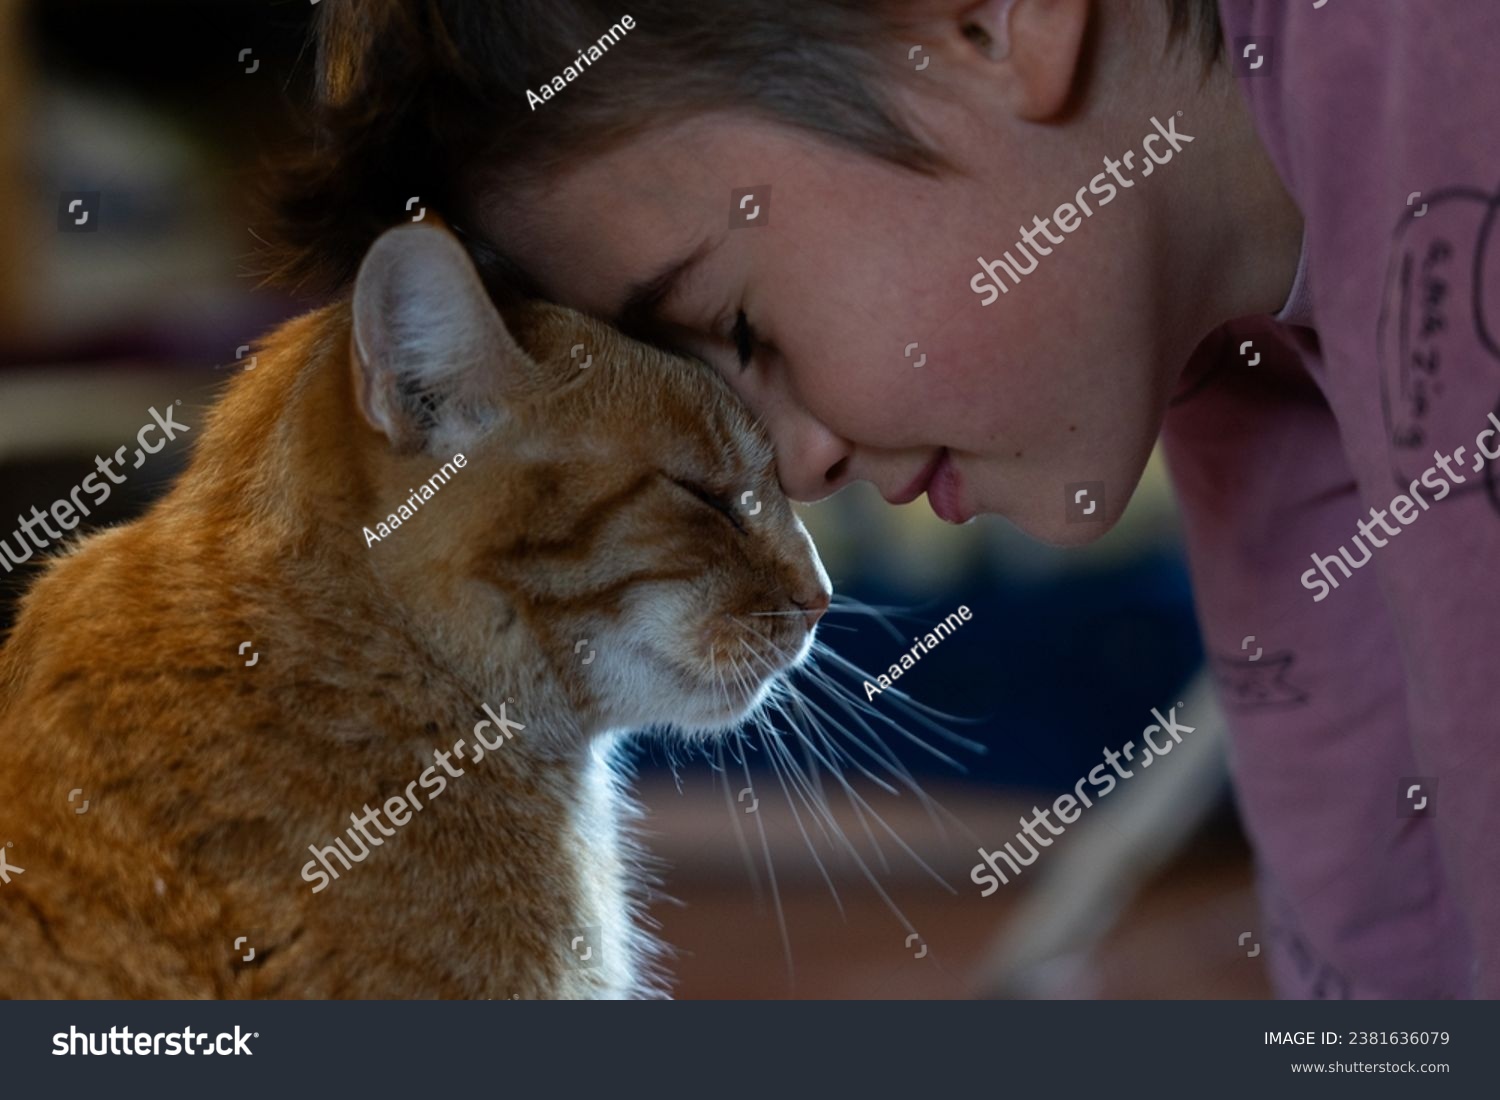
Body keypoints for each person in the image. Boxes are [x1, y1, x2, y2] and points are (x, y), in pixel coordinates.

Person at [261, 0, 1500, 998]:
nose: (791, 470)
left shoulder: (1447, 85)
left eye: (739, 323)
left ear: (991, 22)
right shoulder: (1230, 338)